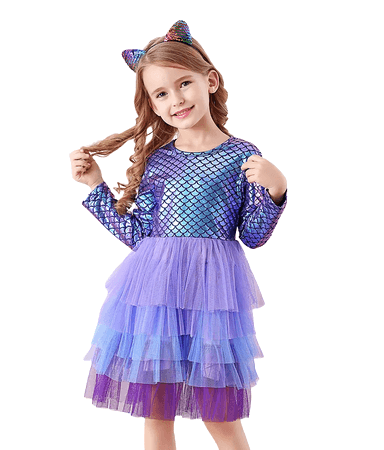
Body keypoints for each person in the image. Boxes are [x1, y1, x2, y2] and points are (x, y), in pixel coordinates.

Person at [69, 19, 287, 450]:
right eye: (161, 94)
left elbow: (253, 235)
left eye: (183, 83)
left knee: (219, 412)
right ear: (152, 104)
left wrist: (276, 189)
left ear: (210, 81)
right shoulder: (158, 160)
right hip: (155, 295)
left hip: (212, 296)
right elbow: (139, 236)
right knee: (156, 409)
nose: (176, 99)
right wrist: (96, 186)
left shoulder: (242, 155)